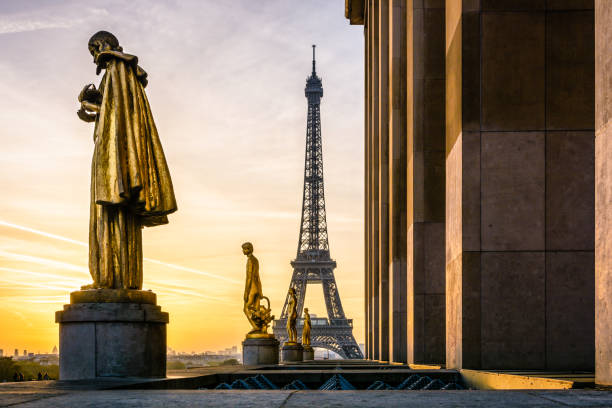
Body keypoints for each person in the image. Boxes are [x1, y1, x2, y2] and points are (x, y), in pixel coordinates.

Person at [77, 30, 177, 290]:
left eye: (93, 51)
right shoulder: (123, 72)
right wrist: (95, 113)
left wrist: (92, 107)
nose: (94, 59)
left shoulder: (117, 67)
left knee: (109, 213)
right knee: (119, 216)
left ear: (102, 45)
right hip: (116, 153)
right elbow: (118, 114)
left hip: (113, 159)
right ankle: (121, 278)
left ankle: (109, 278)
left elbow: (114, 113)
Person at [242, 242, 263, 334]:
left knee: (246, 308)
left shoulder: (250, 260)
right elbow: (258, 276)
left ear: (249, 249)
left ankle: (255, 327)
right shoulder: (256, 260)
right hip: (257, 288)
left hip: (252, 288)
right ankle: (259, 328)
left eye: (245, 249)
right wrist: (260, 290)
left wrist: (246, 292)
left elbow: (249, 277)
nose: (243, 251)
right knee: (256, 311)